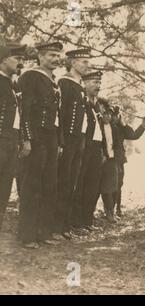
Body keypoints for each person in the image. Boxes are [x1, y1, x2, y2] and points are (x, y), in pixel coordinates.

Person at [17, 41, 64, 249]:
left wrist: (59, 142)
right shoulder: (30, 76)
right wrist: (26, 138)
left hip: (51, 138)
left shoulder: (54, 81)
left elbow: (57, 116)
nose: (55, 59)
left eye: (57, 55)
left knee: (50, 185)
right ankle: (28, 235)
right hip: (36, 136)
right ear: (41, 57)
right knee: (32, 185)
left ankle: (44, 232)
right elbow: (24, 111)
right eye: (51, 55)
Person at [56, 48, 91, 239]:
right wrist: (61, 140)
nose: (87, 65)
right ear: (72, 62)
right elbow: (60, 114)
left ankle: (66, 224)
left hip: (79, 140)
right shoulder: (64, 83)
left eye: (88, 61)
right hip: (68, 139)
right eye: (84, 62)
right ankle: (58, 225)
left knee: (72, 181)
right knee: (64, 180)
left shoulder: (79, 86)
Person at [71, 71, 105, 234]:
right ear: (84, 84)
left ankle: (87, 220)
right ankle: (76, 223)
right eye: (93, 83)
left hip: (96, 148)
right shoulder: (82, 102)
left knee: (93, 185)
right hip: (85, 146)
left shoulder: (97, 104)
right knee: (81, 184)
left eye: (99, 83)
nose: (97, 86)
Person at [0, 42, 26, 232]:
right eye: (17, 59)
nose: (21, 63)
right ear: (2, 60)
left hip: (10, 144)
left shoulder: (12, 85)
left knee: (4, 190)